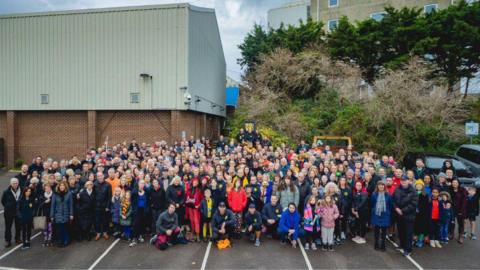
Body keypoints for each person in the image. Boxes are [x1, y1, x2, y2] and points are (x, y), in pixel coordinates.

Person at [393, 177, 418, 256]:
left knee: (408, 233)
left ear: (408, 181)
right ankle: (402, 245)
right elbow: (393, 200)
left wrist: (402, 210)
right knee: (401, 231)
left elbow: (413, 204)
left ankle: (408, 249)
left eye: (405, 180)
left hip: (409, 216)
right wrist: (396, 208)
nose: (403, 182)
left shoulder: (413, 191)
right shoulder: (397, 189)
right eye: (402, 180)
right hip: (399, 215)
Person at [370, 181, 393, 252]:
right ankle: (376, 244)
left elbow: (390, 205)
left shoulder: (388, 195)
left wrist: (388, 213)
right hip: (376, 214)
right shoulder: (374, 194)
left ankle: (383, 245)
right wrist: (374, 210)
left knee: (384, 231)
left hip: (385, 215)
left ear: (384, 186)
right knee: (376, 231)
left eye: (382, 185)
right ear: (377, 186)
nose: (381, 187)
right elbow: (372, 204)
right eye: (380, 185)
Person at [51, 181, 73, 247]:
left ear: (65, 186)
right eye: (60, 186)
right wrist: (52, 215)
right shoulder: (55, 194)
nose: (62, 187)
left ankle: (66, 240)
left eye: (63, 185)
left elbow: (71, 205)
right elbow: (53, 205)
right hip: (58, 214)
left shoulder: (69, 194)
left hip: (66, 213)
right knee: (59, 229)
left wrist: (71, 214)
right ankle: (60, 241)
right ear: (58, 186)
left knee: (65, 228)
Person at [1, 178, 22, 247]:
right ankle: (8, 241)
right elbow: (3, 201)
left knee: (18, 226)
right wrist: (8, 206)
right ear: (10, 184)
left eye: (16, 183)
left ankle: (17, 238)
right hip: (8, 213)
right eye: (13, 183)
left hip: (18, 212)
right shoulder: (6, 191)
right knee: (8, 227)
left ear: (18, 183)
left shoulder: (21, 190)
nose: (15, 184)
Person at [130, 180, 150, 247]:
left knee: (142, 223)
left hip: (143, 210)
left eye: (143, 183)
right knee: (136, 224)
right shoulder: (135, 191)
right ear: (138, 184)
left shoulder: (146, 191)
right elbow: (132, 200)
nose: (142, 184)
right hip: (137, 210)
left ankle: (140, 236)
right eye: (141, 183)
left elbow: (147, 201)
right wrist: (133, 209)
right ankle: (134, 238)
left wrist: (146, 209)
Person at [93, 172, 112, 241]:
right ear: (97, 177)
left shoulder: (108, 185)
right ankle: (98, 233)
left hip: (105, 206)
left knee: (105, 220)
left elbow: (109, 197)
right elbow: (93, 195)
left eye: (100, 176)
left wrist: (107, 206)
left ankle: (105, 233)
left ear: (103, 176)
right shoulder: (94, 184)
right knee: (97, 220)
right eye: (98, 176)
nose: (99, 177)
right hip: (97, 206)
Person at [449, 179, 467, 244]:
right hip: (452, 209)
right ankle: (451, 233)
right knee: (452, 222)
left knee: (460, 223)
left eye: (456, 182)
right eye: (453, 182)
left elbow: (464, 201)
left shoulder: (462, 190)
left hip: (460, 209)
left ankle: (460, 236)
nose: (454, 184)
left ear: (458, 183)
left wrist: (461, 211)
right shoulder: (450, 189)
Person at [414, 180, 429, 248]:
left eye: (420, 185)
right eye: (417, 185)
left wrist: (419, 209)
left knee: (422, 228)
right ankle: (415, 239)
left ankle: (420, 240)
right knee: (415, 227)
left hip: (423, 214)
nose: (419, 186)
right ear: (415, 186)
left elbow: (425, 204)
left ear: (422, 186)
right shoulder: (413, 193)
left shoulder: (425, 194)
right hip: (414, 214)